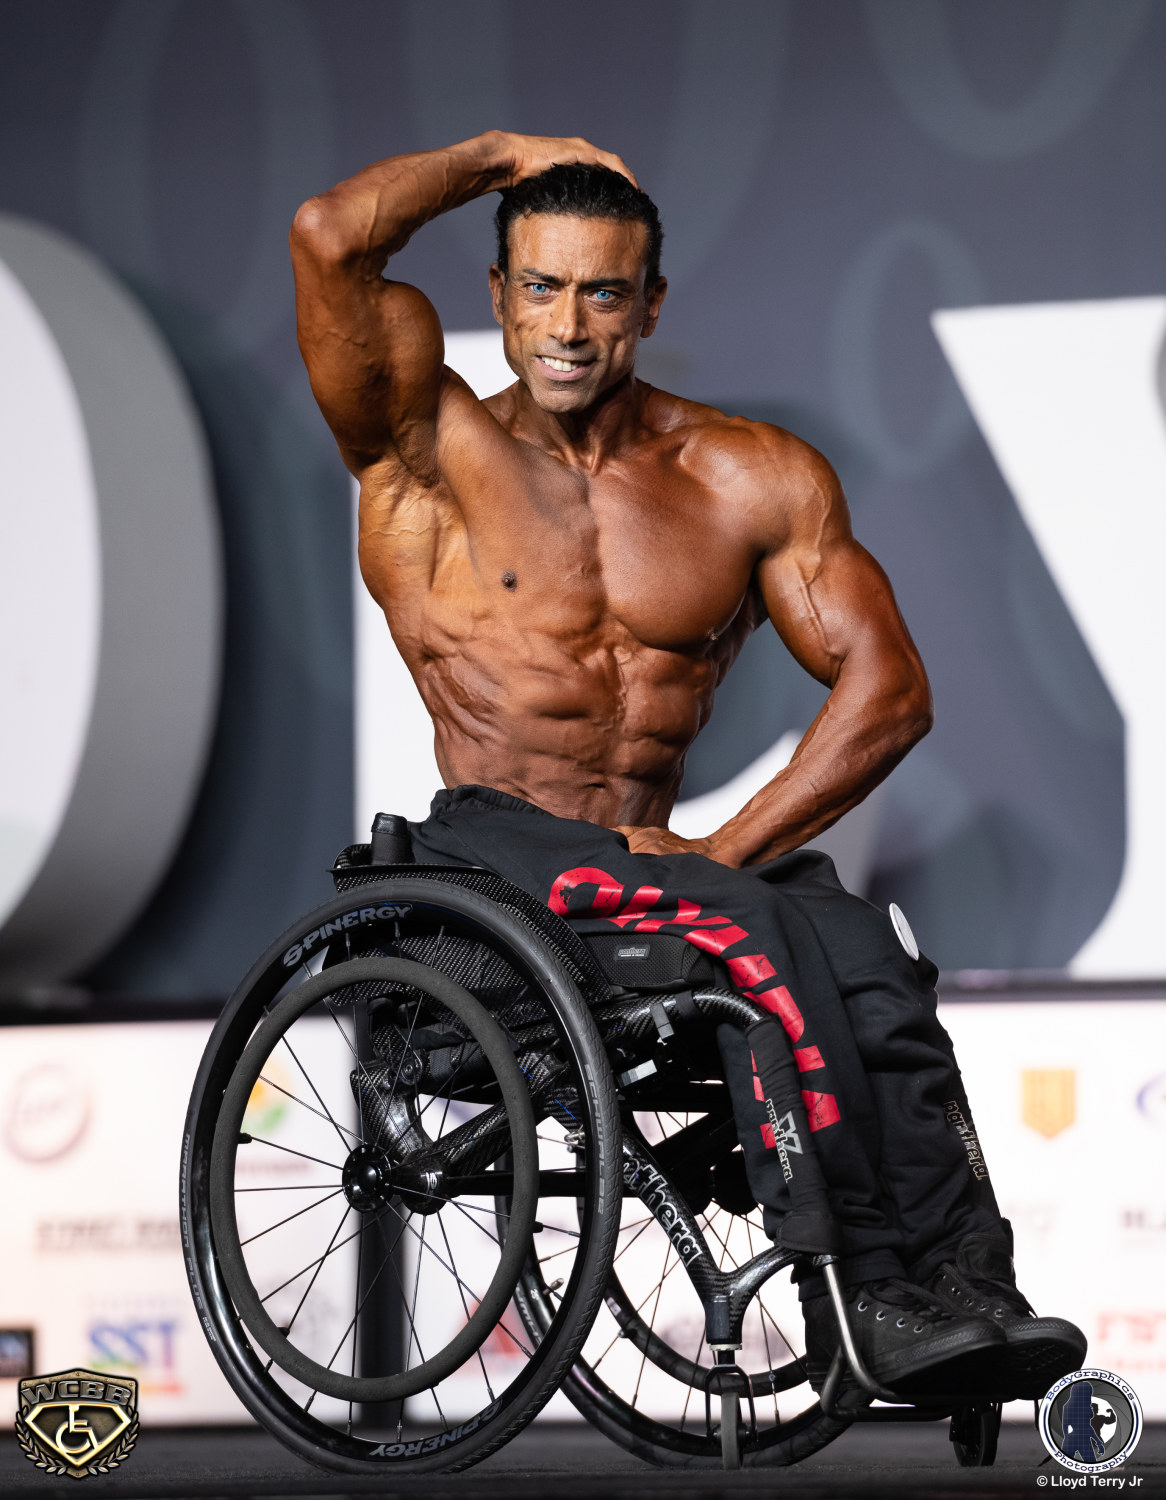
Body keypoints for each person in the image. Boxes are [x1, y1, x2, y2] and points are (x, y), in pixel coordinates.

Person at [290, 130, 1085, 1401]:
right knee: (747, 924)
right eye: (539, 287)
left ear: (650, 304)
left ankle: (964, 1282)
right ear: (496, 294)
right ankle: (862, 1291)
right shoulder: (424, 444)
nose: (567, 326)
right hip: (491, 860)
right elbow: (330, 237)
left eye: (602, 293)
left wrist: (721, 849)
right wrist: (501, 154)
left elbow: (890, 692)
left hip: (661, 871)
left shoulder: (745, 478)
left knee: (864, 952)